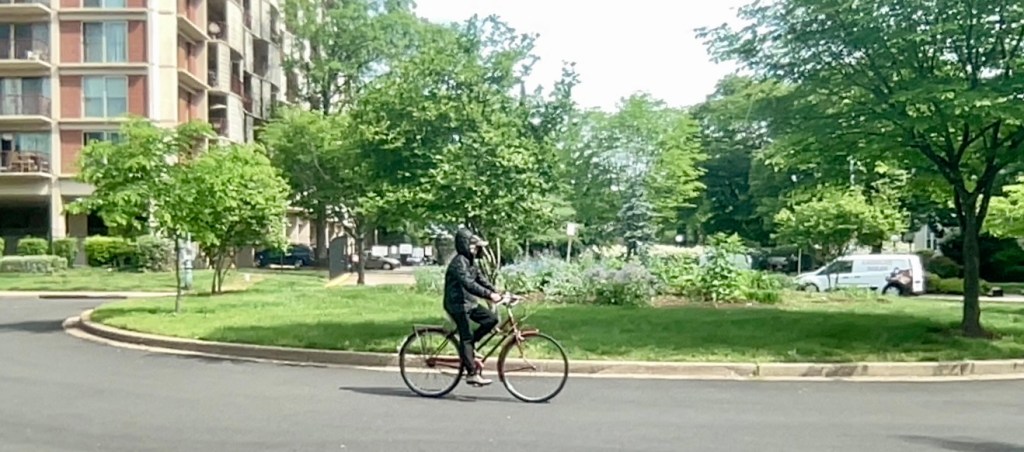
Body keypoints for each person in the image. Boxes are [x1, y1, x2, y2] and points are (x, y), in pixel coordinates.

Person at [443, 228, 502, 386]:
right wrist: (488, 295)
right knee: (466, 336)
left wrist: (498, 293)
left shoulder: (470, 262)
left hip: (469, 303)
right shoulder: (459, 263)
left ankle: (468, 350)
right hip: (456, 304)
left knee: (491, 319)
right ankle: (471, 374)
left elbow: (481, 280)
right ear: (464, 245)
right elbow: (468, 284)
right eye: (474, 246)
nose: (477, 250)